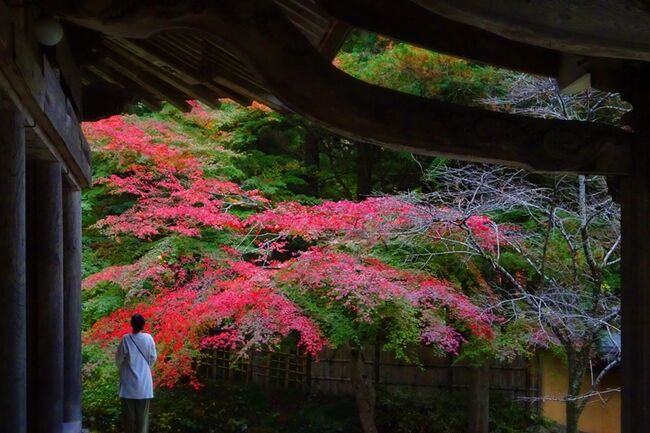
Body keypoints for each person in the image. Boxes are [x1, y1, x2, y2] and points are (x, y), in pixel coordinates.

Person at [115, 313, 157, 433]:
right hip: (144, 385)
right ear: (143, 325)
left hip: (128, 385)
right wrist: (145, 367)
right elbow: (153, 357)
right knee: (142, 420)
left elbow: (118, 360)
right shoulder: (149, 338)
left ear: (131, 325)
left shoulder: (126, 339)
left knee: (128, 419)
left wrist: (123, 368)